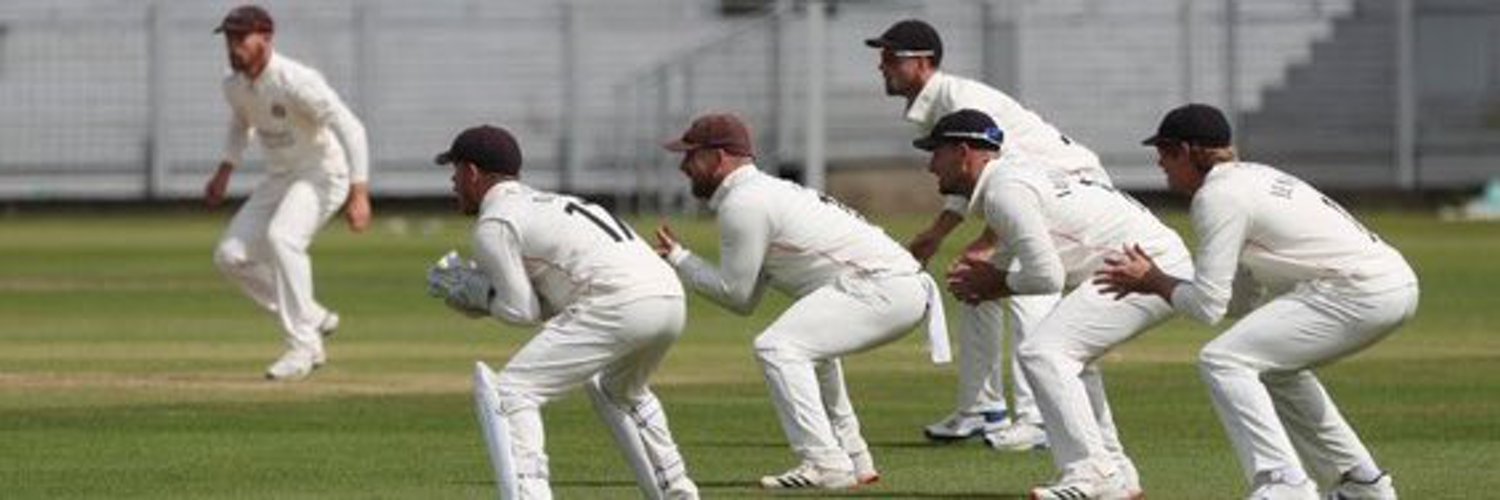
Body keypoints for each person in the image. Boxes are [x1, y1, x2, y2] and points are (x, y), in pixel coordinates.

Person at [1095, 104, 1416, 500]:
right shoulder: (1252, 178)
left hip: (1354, 290)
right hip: (1392, 283)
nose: (1160, 162)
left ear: (1189, 151)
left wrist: (1154, 280)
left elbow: (1208, 307)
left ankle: (1284, 482)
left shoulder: (1218, 197)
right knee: (1276, 369)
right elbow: (1240, 300)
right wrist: (1161, 283)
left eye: (1165, 150)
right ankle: (1362, 485)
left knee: (1224, 359)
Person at [653, 113, 948, 490]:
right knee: (810, 350)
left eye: (691, 155)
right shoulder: (761, 193)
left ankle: (825, 462)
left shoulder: (744, 203)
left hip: (882, 287)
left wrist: (680, 259)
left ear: (719, 157)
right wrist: (683, 257)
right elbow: (746, 299)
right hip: (897, 286)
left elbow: (735, 294)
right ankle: (854, 457)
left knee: (778, 348)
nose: (683, 166)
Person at [925, 109, 1191, 499]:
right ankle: (1116, 474)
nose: (931, 166)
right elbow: (1034, 253)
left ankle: (1090, 474)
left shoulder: (1005, 191)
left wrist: (995, 282)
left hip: (1146, 267)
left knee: (1043, 352)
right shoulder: (1009, 181)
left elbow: (1047, 276)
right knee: (1070, 360)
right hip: (1148, 260)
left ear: (964, 152)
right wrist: (989, 277)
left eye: (937, 152)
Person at [867, 19, 1106, 448]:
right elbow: (969, 180)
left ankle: (1040, 418)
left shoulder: (962, 98)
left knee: (1027, 287)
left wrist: (988, 241)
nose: (881, 66)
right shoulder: (933, 106)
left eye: (890, 58)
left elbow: (1008, 175)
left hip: (1068, 186)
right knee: (975, 283)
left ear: (922, 62)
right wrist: (936, 234)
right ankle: (982, 408)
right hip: (1034, 188)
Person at [426, 125, 699, 500]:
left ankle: (531, 495)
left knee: (512, 392)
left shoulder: (495, 222)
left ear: (472, 172)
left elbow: (520, 311)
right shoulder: (549, 202)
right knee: (620, 391)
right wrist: (476, 294)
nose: (453, 183)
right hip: (669, 295)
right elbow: (547, 303)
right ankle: (676, 490)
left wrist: (471, 291)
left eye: (455, 172)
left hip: (617, 300)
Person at [205, 4, 372, 381]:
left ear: (265, 38)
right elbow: (240, 122)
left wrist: (359, 193)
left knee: (283, 238)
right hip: (279, 178)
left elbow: (352, 128)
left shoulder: (296, 80)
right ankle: (311, 314)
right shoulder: (234, 84)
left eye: (241, 38)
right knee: (230, 256)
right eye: (229, 39)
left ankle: (304, 346)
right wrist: (224, 170)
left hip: (323, 174)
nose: (233, 47)